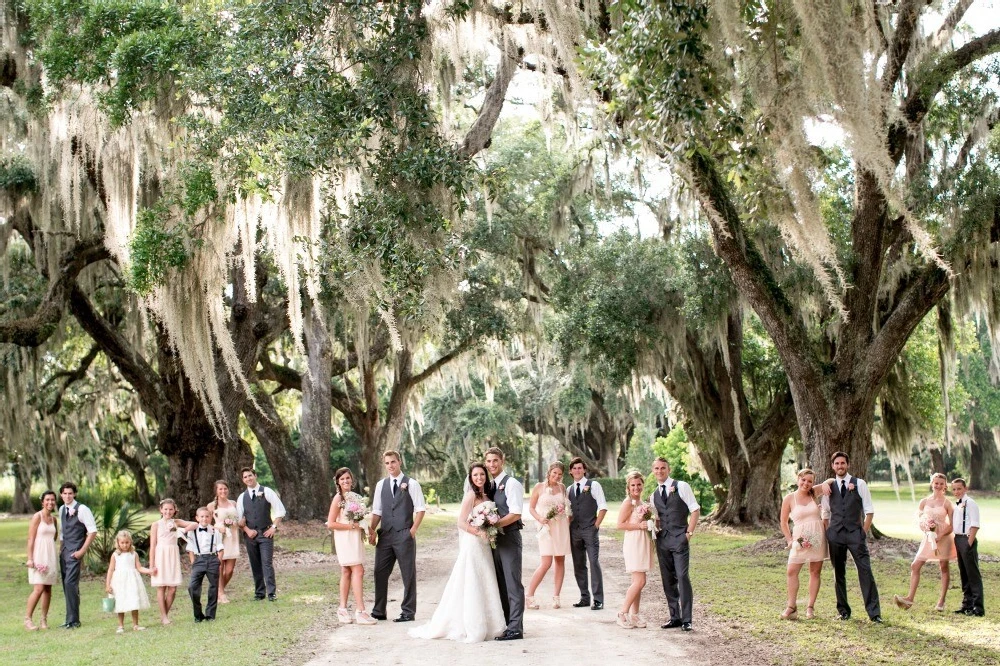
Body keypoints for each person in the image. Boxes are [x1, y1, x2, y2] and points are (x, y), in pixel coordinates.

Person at [409, 462, 506, 643]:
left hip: (485, 545)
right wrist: (480, 531)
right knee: (472, 580)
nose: (479, 478)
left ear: (486, 476)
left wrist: (489, 527)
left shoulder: (488, 494)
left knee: (486, 578)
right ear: (471, 478)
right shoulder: (471, 495)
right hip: (474, 543)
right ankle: (473, 625)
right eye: (475, 475)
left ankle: (493, 624)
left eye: (482, 475)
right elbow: (461, 522)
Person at [819, 451, 882, 623]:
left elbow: (869, 510)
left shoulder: (859, 484)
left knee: (865, 570)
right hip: (836, 535)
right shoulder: (829, 487)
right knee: (838, 573)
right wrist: (828, 531)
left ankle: (874, 613)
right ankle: (843, 611)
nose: (840, 466)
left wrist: (863, 531)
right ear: (833, 466)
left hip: (856, 534)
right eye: (837, 463)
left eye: (842, 463)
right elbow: (825, 511)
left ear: (848, 465)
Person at [368, 450, 426, 622]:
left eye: (393, 462)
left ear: (399, 462)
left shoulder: (412, 484)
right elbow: (377, 511)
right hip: (385, 534)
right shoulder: (381, 485)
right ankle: (379, 610)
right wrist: (371, 531)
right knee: (379, 571)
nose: (390, 466)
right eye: (387, 463)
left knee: (408, 573)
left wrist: (412, 531)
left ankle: (408, 612)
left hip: (404, 534)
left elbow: (420, 509)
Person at [893, 473, 956, 612]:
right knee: (915, 565)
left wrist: (940, 535)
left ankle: (941, 601)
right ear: (932, 483)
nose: (938, 485)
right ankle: (909, 599)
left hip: (944, 537)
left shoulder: (947, 503)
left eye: (941, 483)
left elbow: (952, 525)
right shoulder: (924, 501)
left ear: (945, 485)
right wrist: (927, 529)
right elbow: (920, 520)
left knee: (943, 567)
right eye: (936, 483)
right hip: (929, 537)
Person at [651, 457, 700, 631]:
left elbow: (695, 509)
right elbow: (656, 519)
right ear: (653, 471)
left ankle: (687, 619)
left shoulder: (681, 486)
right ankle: (675, 617)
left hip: (680, 538)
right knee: (667, 580)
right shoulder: (653, 495)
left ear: (668, 469)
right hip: (662, 540)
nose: (659, 471)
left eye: (662, 468)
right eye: (656, 468)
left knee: (682, 577)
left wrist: (689, 533)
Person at [327, 467, 377, 625]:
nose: (345, 481)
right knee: (358, 569)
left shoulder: (355, 497)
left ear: (352, 480)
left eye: (348, 478)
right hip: (344, 537)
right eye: (342, 479)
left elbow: (360, 519)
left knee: (347, 571)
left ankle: (342, 609)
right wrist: (351, 527)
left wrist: (369, 531)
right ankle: (360, 611)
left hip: (355, 537)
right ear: (338, 482)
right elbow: (331, 523)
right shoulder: (338, 499)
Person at [485, 446, 526, 641]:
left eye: (495, 460)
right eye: (489, 461)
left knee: (513, 583)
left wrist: (494, 525)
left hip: (509, 538)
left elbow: (516, 513)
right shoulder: (490, 486)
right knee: (500, 584)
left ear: (502, 461)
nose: (492, 464)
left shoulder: (512, 484)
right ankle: (509, 624)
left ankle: (516, 628)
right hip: (494, 541)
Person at [778, 469, 828, 620]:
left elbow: (831, 481)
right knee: (792, 571)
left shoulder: (813, 493)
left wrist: (825, 484)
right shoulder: (789, 498)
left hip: (817, 535)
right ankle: (791, 607)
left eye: (810, 481)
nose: (806, 483)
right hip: (800, 539)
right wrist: (789, 540)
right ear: (798, 479)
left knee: (815, 571)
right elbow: (783, 522)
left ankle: (810, 607)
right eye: (803, 480)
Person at [235, 467, 285, 601]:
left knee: (266, 563)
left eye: (250, 475)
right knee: (255, 563)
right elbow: (239, 520)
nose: (248, 479)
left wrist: (274, 527)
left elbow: (280, 511)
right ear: (243, 480)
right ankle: (259, 592)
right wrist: (246, 530)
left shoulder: (267, 491)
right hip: (250, 536)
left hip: (265, 533)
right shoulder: (242, 497)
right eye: (245, 477)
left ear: (255, 476)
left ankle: (271, 593)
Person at [525, 461, 570, 610]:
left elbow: (566, 507)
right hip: (545, 528)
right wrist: (539, 518)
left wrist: (566, 515)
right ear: (549, 472)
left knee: (560, 561)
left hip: (561, 527)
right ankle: (529, 596)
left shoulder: (563, 488)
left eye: (559, 474)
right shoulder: (539, 487)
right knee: (546, 563)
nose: (556, 476)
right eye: (554, 473)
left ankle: (556, 597)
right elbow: (531, 508)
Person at [615, 471, 655, 629]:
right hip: (634, 543)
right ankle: (622, 613)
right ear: (628, 487)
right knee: (640, 581)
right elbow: (620, 524)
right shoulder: (628, 503)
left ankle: (635, 614)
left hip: (643, 542)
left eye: (639, 484)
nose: (636, 487)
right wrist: (639, 525)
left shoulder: (642, 503)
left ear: (642, 485)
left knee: (637, 582)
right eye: (633, 485)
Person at [567, 457, 607, 611]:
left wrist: (595, 525)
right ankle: (584, 597)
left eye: (579, 468)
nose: (577, 470)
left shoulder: (594, 485)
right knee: (578, 564)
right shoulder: (569, 489)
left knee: (593, 562)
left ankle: (598, 600)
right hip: (574, 530)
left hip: (590, 529)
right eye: (574, 468)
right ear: (570, 471)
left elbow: (603, 506)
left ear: (584, 470)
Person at [149, 498, 197, 625]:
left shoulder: (176, 522)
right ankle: (164, 616)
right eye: (165, 509)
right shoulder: (156, 525)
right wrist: (151, 565)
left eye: (171, 509)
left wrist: (183, 530)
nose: (168, 512)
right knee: (161, 586)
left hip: (172, 555)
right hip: (160, 555)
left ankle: (165, 614)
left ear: (175, 510)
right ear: (161, 510)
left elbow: (195, 524)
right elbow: (153, 545)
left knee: (172, 588)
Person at [59, 481, 97, 629]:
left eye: (70, 493)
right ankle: (69, 619)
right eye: (65, 493)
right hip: (64, 552)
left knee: (70, 583)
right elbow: (63, 533)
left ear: (74, 494)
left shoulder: (82, 509)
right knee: (67, 585)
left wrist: (82, 551)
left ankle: (74, 620)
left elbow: (92, 531)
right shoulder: (62, 509)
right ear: (61, 495)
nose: (67, 496)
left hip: (75, 552)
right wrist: (61, 550)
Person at [105, 530, 152, 633]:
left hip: (132, 581)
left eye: (127, 542)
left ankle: (135, 625)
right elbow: (111, 570)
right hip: (119, 581)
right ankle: (121, 626)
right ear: (118, 542)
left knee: (134, 600)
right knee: (120, 601)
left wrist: (149, 571)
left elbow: (139, 567)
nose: (125, 545)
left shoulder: (133, 554)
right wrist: (108, 584)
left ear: (130, 542)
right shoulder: (115, 555)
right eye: (122, 543)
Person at [25, 490, 59, 631]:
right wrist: (30, 558)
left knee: (48, 589)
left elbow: (54, 536)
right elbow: (31, 539)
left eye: (52, 500)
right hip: (38, 556)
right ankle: (28, 619)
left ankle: (44, 619)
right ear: (42, 502)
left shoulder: (54, 519)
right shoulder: (36, 517)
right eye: (47, 500)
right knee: (38, 588)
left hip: (50, 556)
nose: (50, 502)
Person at [951, 478, 984, 616]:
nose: (956, 491)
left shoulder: (971, 503)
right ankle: (967, 604)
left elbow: (975, 525)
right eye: (954, 489)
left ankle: (978, 607)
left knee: (972, 574)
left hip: (966, 539)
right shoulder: (958, 504)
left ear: (965, 489)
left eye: (959, 488)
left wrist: (969, 543)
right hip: (958, 539)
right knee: (964, 573)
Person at [187, 507, 225, 623]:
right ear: (197, 518)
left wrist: (218, 560)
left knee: (213, 586)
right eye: (202, 516)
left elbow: (220, 546)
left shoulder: (215, 530)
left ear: (210, 518)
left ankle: (210, 614)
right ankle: (198, 615)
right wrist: (193, 561)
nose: (204, 518)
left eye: (207, 516)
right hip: (199, 559)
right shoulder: (192, 531)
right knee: (192, 587)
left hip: (212, 558)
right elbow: (190, 548)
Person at [207, 480, 240, 603]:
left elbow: (239, 519)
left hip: (233, 536)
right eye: (220, 489)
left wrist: (234, 523)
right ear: (216, 490)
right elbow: (206, 524)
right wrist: (218, 527)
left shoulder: (233, 503)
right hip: (219, 537)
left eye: (225, 488)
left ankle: (217, 592)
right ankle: (221, 593)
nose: (223, 491)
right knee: (219, 567)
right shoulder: (211, 506)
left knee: (230, 570)